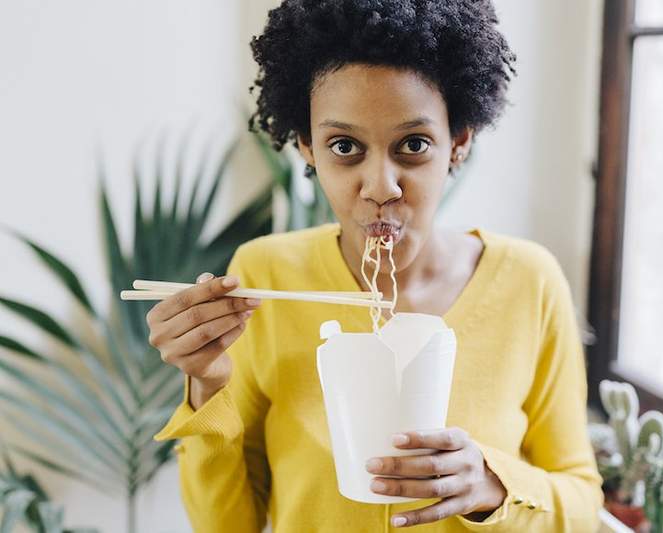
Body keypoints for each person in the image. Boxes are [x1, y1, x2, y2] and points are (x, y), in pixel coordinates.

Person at [149, 0, 603, 531]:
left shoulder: (530, 281)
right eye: (344, 146)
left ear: (458, 142)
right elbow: (228, 524)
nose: (381, 186)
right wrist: (206, 384)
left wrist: (489, 485)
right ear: (306, 147)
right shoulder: (264, 278)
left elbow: (582, 502)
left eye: (413, 145)